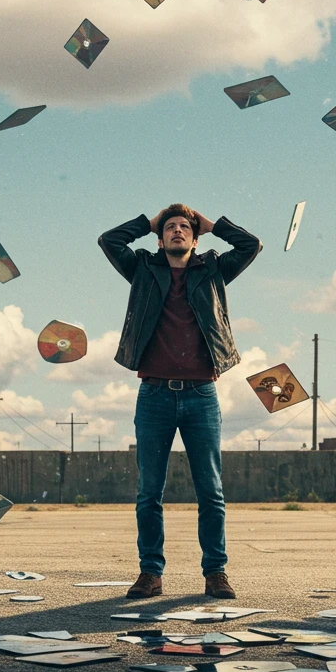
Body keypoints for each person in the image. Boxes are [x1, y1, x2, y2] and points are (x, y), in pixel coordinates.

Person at [98, 204, 262, 600]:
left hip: (202, 394)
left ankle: (215, 573)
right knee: (149, 491)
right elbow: (108, 241)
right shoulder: (142, 268)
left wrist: (212, 225)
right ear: (159, 237)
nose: (177, 232)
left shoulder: (213, 269)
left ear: (194, 236)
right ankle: (150, 573)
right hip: (153, 394)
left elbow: (252, 245)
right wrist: (148, 222)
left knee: (211, 491)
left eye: (184, 228)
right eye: (169, 228)